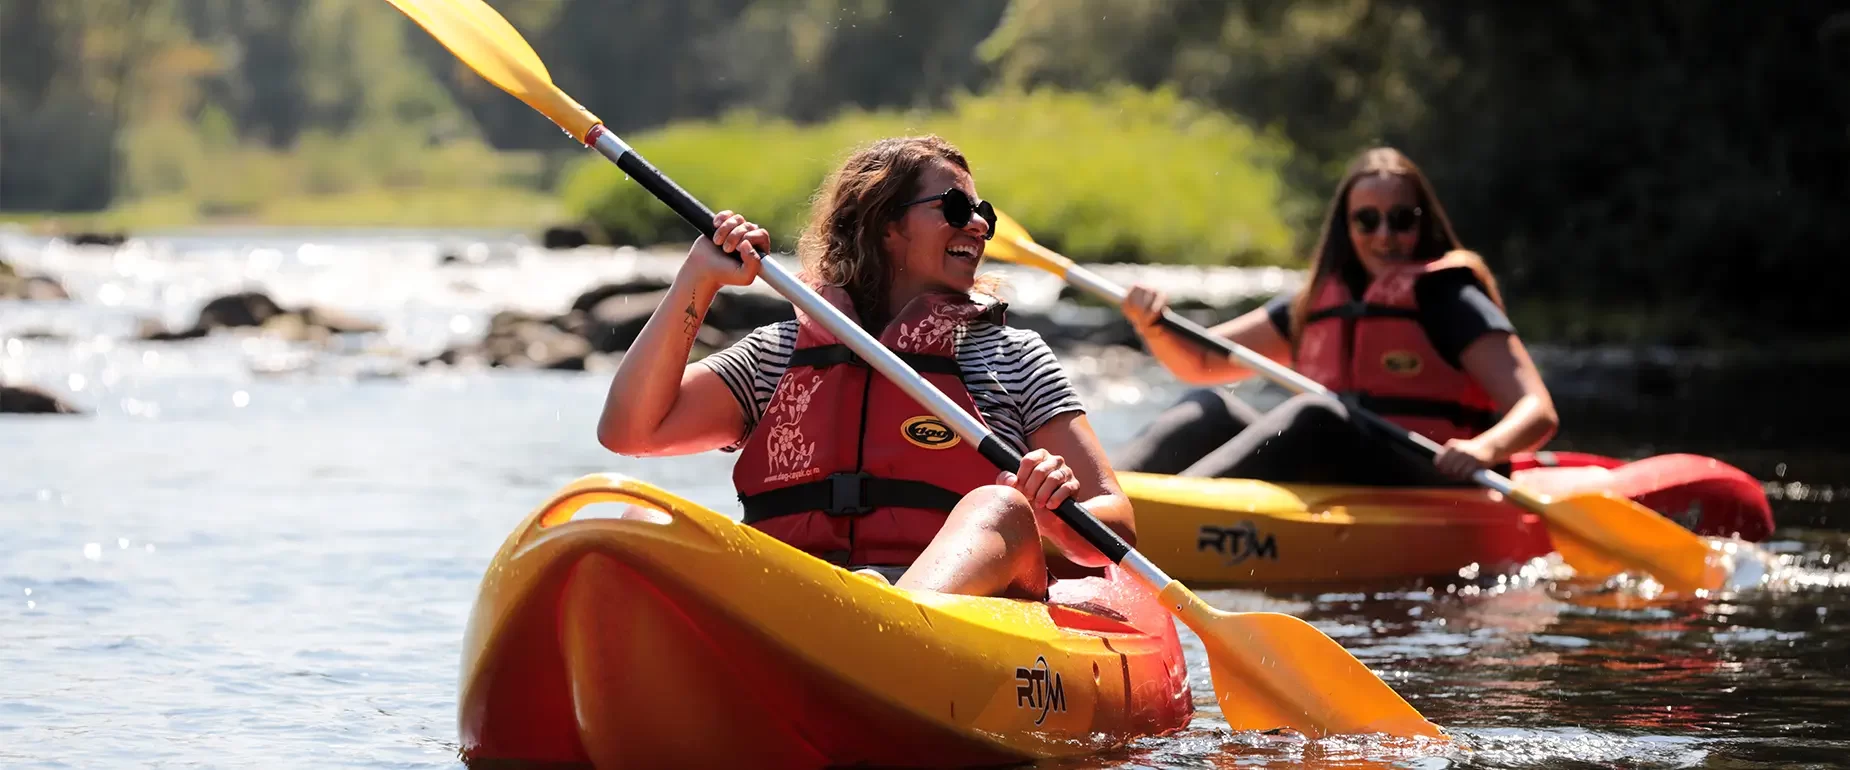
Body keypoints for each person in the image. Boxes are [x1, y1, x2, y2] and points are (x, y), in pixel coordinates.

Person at [595, 135, 1134, 601]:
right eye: (953, 207)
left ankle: (894, 622)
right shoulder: (781, 351)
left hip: (951, 618)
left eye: (982, 214)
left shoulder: (1012, 356)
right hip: (798, 599)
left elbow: (1118, 525)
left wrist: (1049, 513)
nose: (978, 226)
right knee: (643, 522)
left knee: (1000, 506)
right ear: (884, 225)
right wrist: (697, 280)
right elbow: (631, 431)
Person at [1114, 147, 1559, 486]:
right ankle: (1097, 506)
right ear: (1347, 228)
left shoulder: (1449, 297)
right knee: (1206, 410)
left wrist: (1486, 447)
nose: (1385, 235)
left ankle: (1161, 523)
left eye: (1401, 219)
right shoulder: (1318, 302)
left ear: (1422, 224)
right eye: (1367, 220)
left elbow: (1537, 409)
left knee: (1317, 414)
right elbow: (1202, 362)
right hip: (1342, 470)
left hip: (1432, 475)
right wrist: (1151, 323)